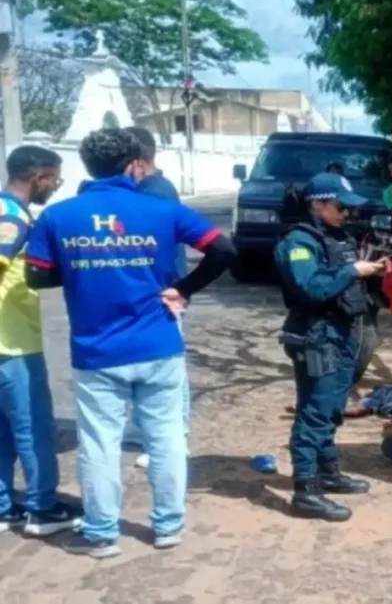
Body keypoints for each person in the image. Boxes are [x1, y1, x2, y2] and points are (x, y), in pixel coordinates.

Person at [24, 128, 235, 558]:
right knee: (167, 437)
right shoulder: (160, 210)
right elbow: (223, 250)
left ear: (87, 165)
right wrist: (185, 288)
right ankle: (168, 527)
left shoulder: (59, 217)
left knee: (100, 443)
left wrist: (84, 268)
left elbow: (37, 275)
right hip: (158, 345)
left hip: (96, 351)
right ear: (132, 164)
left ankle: (102, 534)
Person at [274, 172, 388, 522]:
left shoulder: (335, 236)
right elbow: (310, 287)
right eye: (340, 206)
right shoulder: (297, 243)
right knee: (314, 412)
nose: (345, 214)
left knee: (333, 406)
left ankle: (328, 472)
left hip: (339, 332)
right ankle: (306, 491)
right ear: (317, 204)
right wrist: (352, 271)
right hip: (314, 335)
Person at [0, 146, 82, 538]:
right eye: (55, 179)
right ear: (39, 177)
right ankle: (42, 508)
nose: (55, 187)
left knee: (2, 430)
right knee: (33, 427)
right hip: (12, 344)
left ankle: (3, 507)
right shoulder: (12, 219)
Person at [121, 126, 190, 469]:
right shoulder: (152, 190)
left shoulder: (155, 194)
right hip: (162, 288)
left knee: (169, 367)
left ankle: (176, 434)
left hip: (163, 291)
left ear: (136, 163)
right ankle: (152, 429)